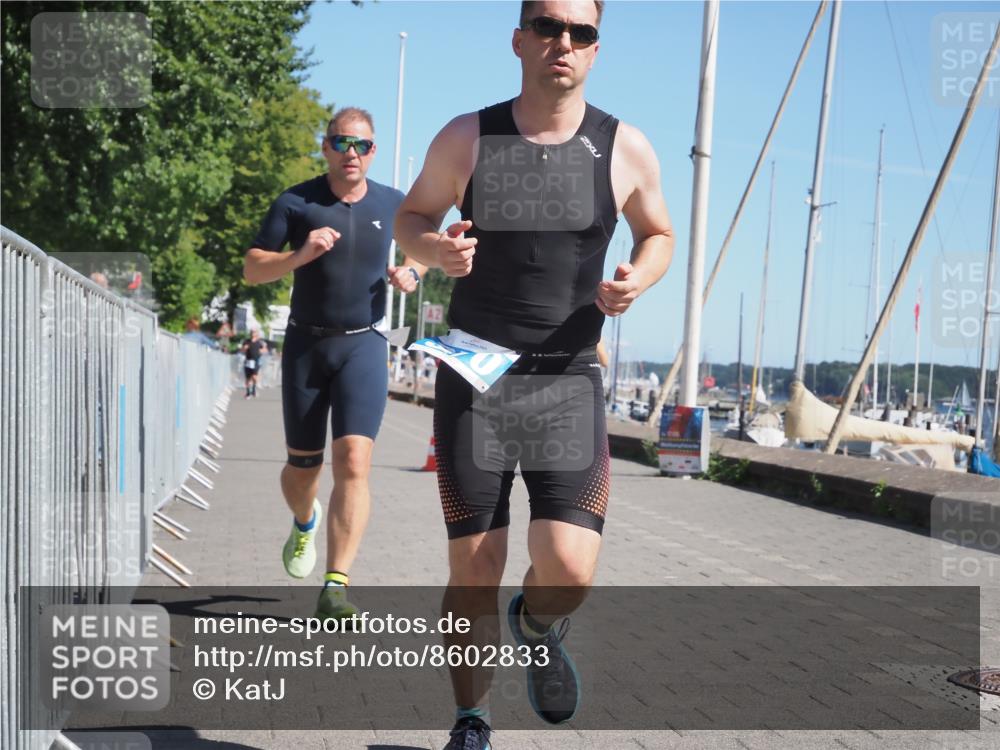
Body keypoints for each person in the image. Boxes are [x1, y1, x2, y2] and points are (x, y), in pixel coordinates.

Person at [394, 2, 674, 746]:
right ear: (519, 40)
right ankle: (471, 721)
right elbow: (412, 218)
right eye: (548, 26)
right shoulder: (469, 136)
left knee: (569, 566)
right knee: (476, 565)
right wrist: (435, 250)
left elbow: (660, 233)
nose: (563, 42)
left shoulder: (624, 147)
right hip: (475, 378)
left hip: (568, 379)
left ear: (596, 48)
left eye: (580, 31)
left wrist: (637, 280)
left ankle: (540, 624)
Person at [243, 106, 425, 622]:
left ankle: (336, 586)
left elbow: (422, 246)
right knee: (303, 470)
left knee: (353, 462)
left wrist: (411, 272)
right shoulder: (296, 201)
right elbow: (253, 267)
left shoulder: (395, 203)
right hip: (306, 346)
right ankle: (305, 523)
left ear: (373, 152)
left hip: (364, 344)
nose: (352, 153)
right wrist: (299, 256)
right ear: (325, 147)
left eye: (362, 145)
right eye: (342, 143)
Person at [240, 329, 268, 398]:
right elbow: (241, 350)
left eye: (254, 332)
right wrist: (244, 348)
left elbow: (266, 350)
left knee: (254, 377)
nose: (252, 333)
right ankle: (248, 392)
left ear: (257, 334)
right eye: (252, 332)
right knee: (248, 378)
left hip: (256, 361)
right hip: (248, 361)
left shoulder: (260, 342)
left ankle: (254, 389)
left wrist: (262, 350)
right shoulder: (246, 341)